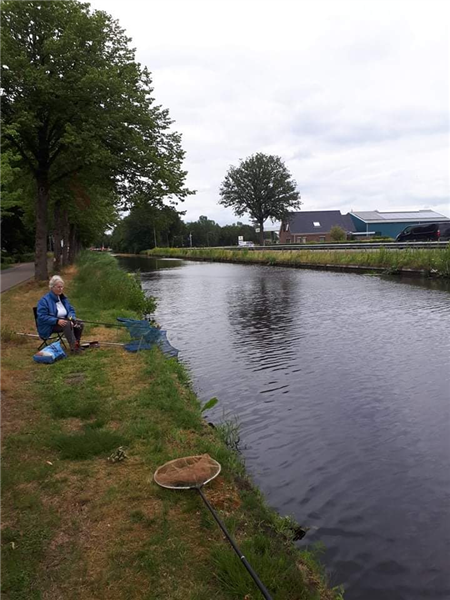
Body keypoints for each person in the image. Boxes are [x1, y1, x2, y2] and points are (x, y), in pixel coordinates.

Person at [36, 275, 84, 353]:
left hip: (65, 321)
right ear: (52, 287)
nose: (61, 289)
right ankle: (74, 348)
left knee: (79, 323)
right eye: (58, 287)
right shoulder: (44, 300)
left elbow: (71, 310)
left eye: (62, 287)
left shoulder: (63, 298)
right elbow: (42, 316)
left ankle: (77, 344)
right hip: (50, 325)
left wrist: (71, 319)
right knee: (67, 324)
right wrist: (56, 321)